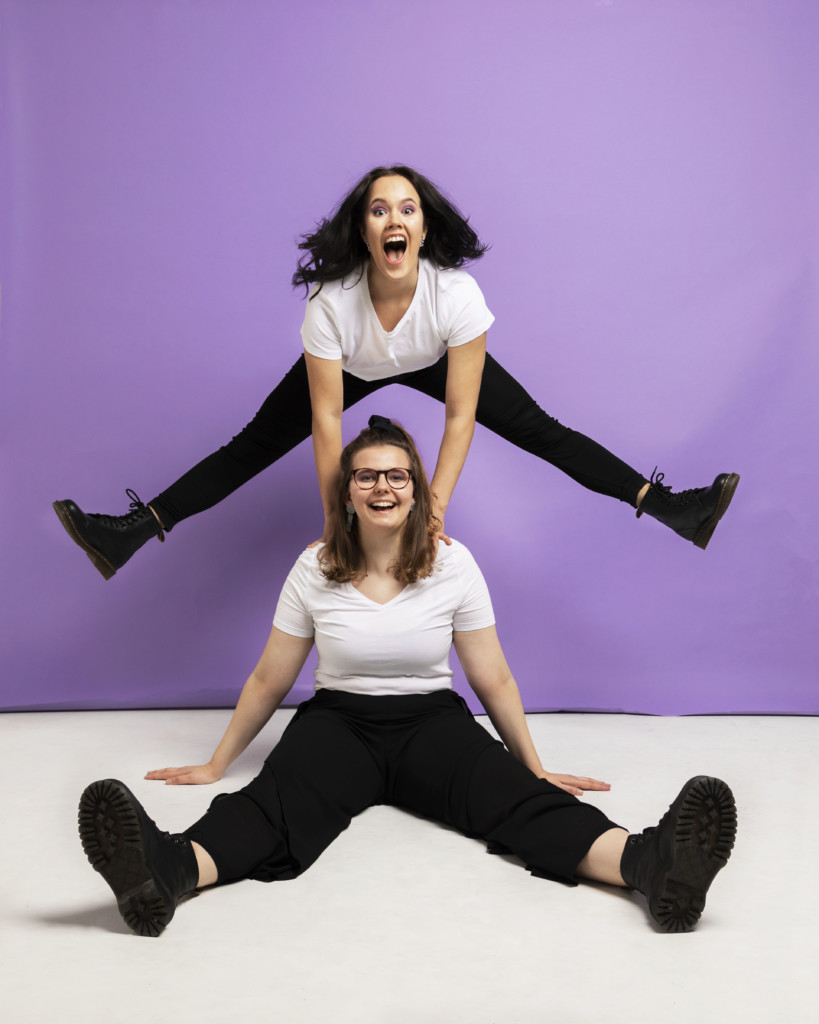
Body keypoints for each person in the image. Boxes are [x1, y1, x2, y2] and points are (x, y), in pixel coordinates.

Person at [78, 417, 737, 937]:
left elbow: (494, 679)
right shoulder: (313, 567)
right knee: (272, 808)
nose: (382, 488)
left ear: (417, 488)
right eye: (366, 477)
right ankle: (163, 872)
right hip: (338, 722)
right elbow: (267, 679)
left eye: (396, 475)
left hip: (431, 723)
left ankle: (651, 865)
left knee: (516, 802)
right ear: (347, 492)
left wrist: (532, 764)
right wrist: (216, 763)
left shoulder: (452, 565)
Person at [55, 165, 739, 580]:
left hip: (435, 358)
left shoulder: (455, 296)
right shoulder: (332, 304)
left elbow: (460, 414)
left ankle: (670, 508)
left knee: (539, 430)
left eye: (405, 208)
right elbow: (326, 418)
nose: (393, 218)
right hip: (352, 365)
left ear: (421, 227)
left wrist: (435, 500)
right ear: (363, 231)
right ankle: (133, 530)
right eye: (378, 209)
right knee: (249, 448)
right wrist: (332, 515)